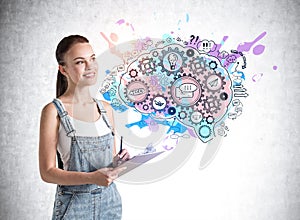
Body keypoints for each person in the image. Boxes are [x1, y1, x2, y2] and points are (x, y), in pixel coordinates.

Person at [39, 35, 130, 220]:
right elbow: (47, 173)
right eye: (80, 62)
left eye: (92, 58)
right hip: (74, 207)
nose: (90, 66)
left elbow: (109, 167)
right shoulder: (53, 111)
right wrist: (91, 178)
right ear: (63, 69)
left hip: (110, 204)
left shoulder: (106, 109)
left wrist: (119, 164)